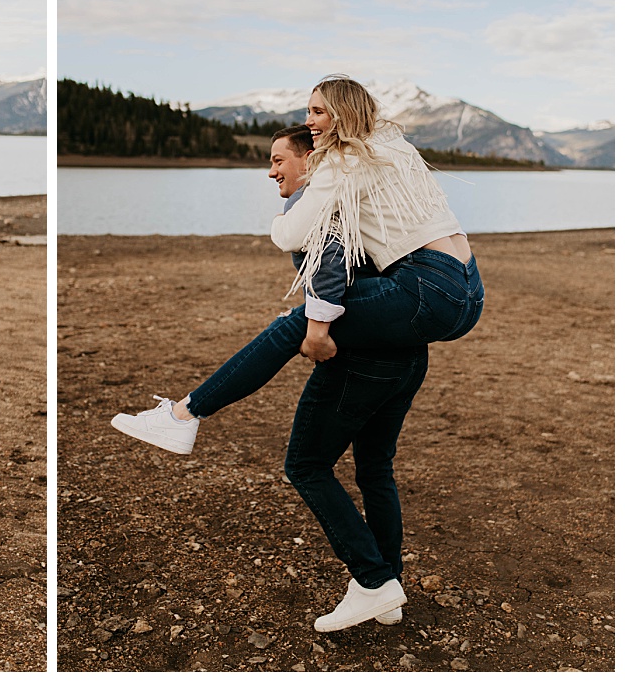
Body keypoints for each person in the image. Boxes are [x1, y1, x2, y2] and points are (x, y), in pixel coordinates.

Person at [111, 77, 483, 632]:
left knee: (296, 340)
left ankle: (184, 415)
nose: (310, 120)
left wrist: (314, 317)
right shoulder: (388, 148)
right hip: (465, 290)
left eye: (317, 112)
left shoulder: (337, 166)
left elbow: (297, 242)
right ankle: (387, 587)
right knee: (374, 467)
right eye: (306, 112)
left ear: (340, 116)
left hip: (425, 290)